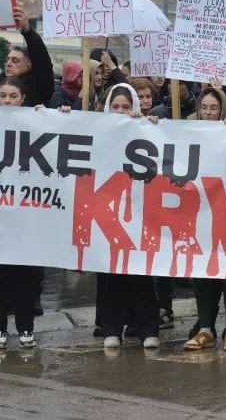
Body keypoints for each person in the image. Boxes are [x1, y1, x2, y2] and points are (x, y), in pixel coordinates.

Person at [97, 84, 161, 350]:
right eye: (116, 107)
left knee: (142, 274)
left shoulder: (146, 127)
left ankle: (149, 329)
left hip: (141, 212)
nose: (121, 111)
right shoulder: (96, 129)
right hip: (109, 210)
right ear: (107, 108)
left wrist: (152, 124)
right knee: (112, 274)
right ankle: (111, 328)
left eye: (126, 106)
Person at [183, 88, 226, 352]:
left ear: (222, 109)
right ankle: (205, 328)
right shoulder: (187, 129)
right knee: (201, 272)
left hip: (225, 211)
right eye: (204, 107)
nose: (208, 112)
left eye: (214, 108)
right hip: (197, 211)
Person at [0, 77, 44, 349]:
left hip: (28, 215)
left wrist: (64, 117)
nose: (7, 101)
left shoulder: (38, 121)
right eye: (2, 96)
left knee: (26, 277)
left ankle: (25, 328)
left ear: (23, 98)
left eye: (13, 96)